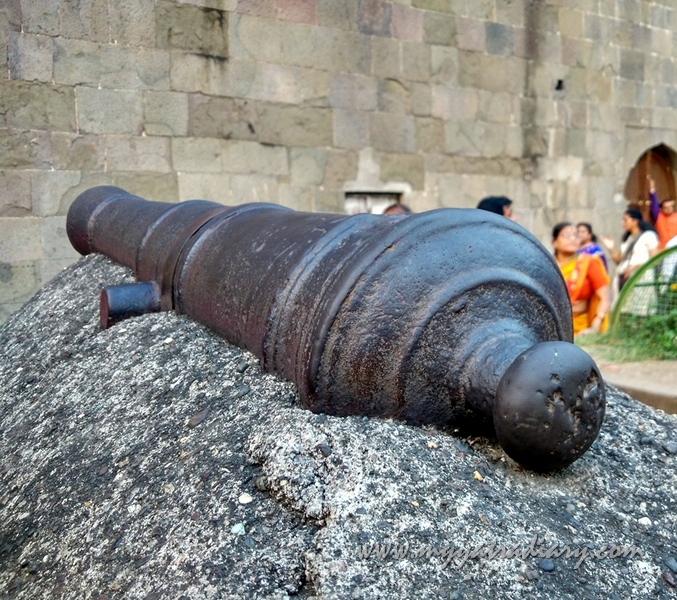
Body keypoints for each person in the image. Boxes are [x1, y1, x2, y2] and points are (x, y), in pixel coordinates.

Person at [552, 222, 610, 336]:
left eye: (576, 235)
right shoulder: (545, 264)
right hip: (550, 326)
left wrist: (596, 324)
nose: (573, 239)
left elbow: (605, 297)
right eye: (567, 235)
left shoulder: (589, 263)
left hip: (579, 329)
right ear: (554, 241)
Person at [601, 209, 659, 316]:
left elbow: (655, 260)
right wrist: (611, 249)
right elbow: (619, 261)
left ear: (635, 221)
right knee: (624, 310)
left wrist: (636, 266)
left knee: (640, 310)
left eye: (625, 220)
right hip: (624, 278)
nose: (622, 223)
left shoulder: (648, 235)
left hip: (641, 277)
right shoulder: (627, 239)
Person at [648, 177, 677, 250]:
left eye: (670, 206)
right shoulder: (659, 216)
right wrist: (652, 190)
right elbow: (654, 205)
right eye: (666, 207)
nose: (669, 209)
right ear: (662, 209)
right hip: (662, 249)